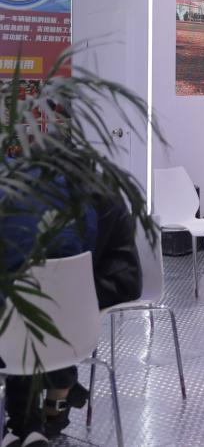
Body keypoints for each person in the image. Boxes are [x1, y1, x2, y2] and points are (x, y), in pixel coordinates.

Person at [4, 187, 142, 446]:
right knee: (31, 312)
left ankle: (26, 422)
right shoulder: (98, 188)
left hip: (49, 320)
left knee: (23, 313)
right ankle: (52, 400)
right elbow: (126, 280)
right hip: (75, 326)